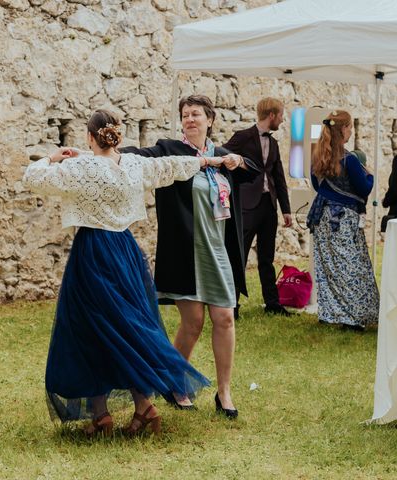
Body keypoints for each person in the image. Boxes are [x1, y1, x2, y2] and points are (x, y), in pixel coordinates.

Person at [22, 109, 223, 437]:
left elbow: (33, 178)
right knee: (127, 323)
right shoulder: (133, 165)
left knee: (91, 326)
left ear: (90, 137)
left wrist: (53, 156)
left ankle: (104, 414)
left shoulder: (78, 168)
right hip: (127, 252)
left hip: (92, 252)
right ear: (118, 136)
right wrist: (208, 162)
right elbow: (169, 166)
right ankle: (141, 406)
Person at [120, 95, 260, 419]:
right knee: (193, 322)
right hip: (186, 252)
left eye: (196, 114)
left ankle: (224, 391)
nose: (190, 119)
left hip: (220, 251)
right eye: (185, 115)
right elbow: (139, 157)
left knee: (224, 317)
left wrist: (237, 161)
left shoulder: (222, 155)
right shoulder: (170, 150)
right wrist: (106, 153)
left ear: (210, 120)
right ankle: (174, 382)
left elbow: (252, 171)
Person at [306, 110, 379, 330]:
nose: (350, 131)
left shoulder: (318, 157)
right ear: (344, 129)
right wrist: (371, 175)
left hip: (323, 217)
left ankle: (333, 313)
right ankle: (353, 318)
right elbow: (364, 187)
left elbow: (317, 186)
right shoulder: (351, 160)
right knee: (352, 267)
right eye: (349, 128)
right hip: (344, 219)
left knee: (331, 267)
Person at [223, 97, 292, 319]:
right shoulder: (243, 137)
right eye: (281, 115)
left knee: (266, 258)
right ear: (271, 115)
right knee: (239, 256)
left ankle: (272, 303)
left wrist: (286, 209)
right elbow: (223, 158)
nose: (282, 120)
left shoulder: (273, 143)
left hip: (268, 206)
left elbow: (278, 177)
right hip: (246, 206)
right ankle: (232, 306)